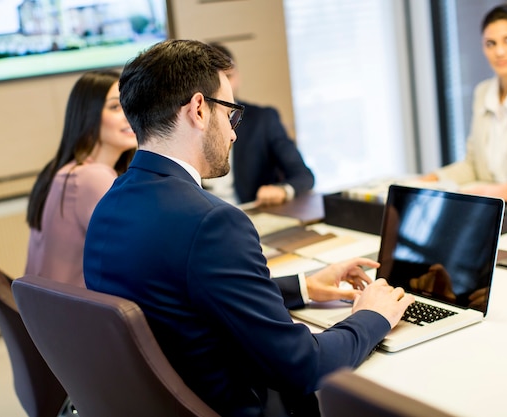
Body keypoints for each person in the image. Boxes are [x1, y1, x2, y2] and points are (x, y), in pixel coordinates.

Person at [83, 39, 413, 417]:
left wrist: (304, 287)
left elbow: (184, 295)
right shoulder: (212, 221)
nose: (234, 133)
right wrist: (372, 315)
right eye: (230, 114)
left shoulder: (112, 202)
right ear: (199, 110)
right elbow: (303, 367)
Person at [422, 4, 507, 201]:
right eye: (491, 43)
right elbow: (472, 166)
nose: (500, 52)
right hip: (490, 207)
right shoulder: (482, 93)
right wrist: (432, 179)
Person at [25, 70, 137, 287]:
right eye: (115, 107)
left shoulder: (64, 170)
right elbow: (136, 252)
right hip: (75, 315)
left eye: (130, 104)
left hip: (50, 311)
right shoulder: (91, 177)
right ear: (89, 115)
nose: (129, 114)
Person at [202, 43, 315, 206]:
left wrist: (282, 190)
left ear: (238, 78)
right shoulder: (191, 123)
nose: (225, 86)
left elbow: (303, 175)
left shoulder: (263, 119)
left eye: (229, 77)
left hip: (251, 212)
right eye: (217, 80)